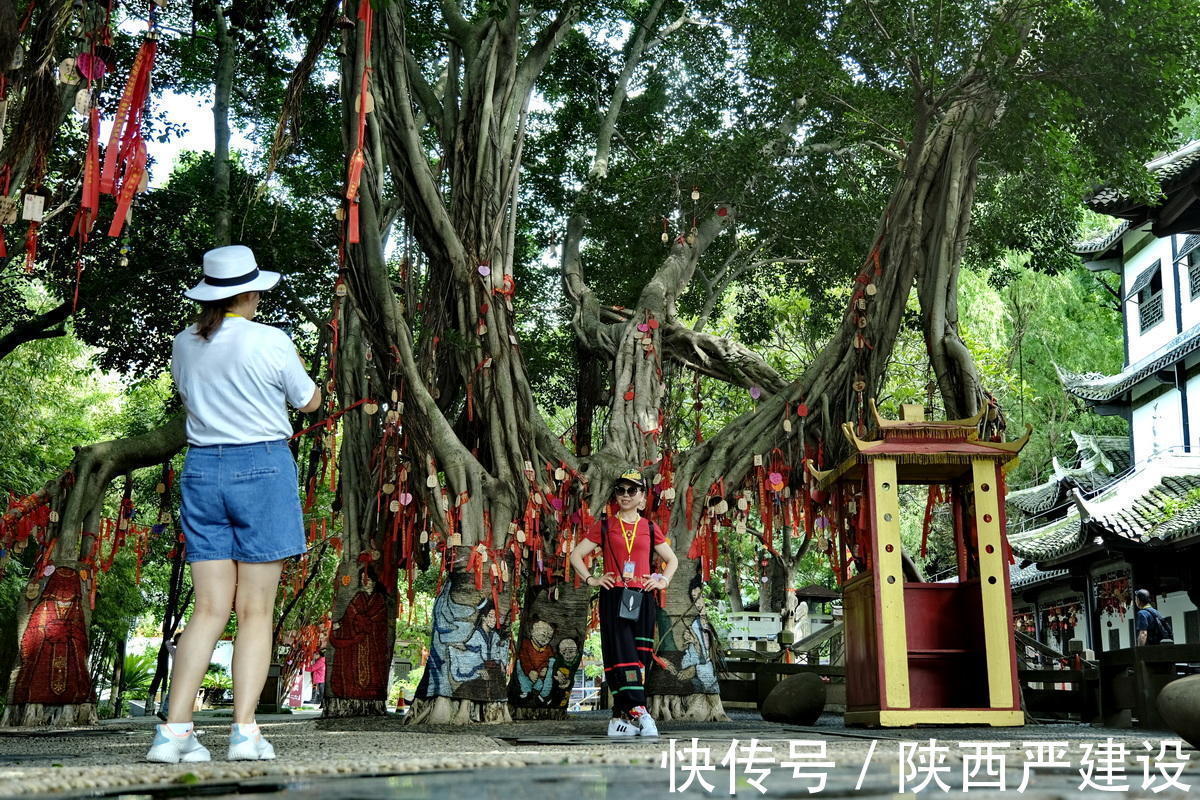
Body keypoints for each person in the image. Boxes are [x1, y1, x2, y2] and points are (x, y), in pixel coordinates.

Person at [146, 245, 319, 764]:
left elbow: (191, 396)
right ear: (246, 291)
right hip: (262, 468)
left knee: (208, 609)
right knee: (255, 609)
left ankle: (174, 733)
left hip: (203, 470)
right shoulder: (270, 340)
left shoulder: (184, 343)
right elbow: (308, 400)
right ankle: (244, 732)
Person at [569, 468, 679, 737]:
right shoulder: (605, 526)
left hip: (642, 597)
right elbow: (576, 555)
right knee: (622, 655)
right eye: (621, 490)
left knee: (640, 657)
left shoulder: (650, 528)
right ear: (615, 494)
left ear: (642, 496)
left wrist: (662, 581)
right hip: (614, 595)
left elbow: (672, 560)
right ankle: (639, 709)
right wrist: (591, 579)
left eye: (633, 490)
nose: (626, 495)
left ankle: (620, 717)